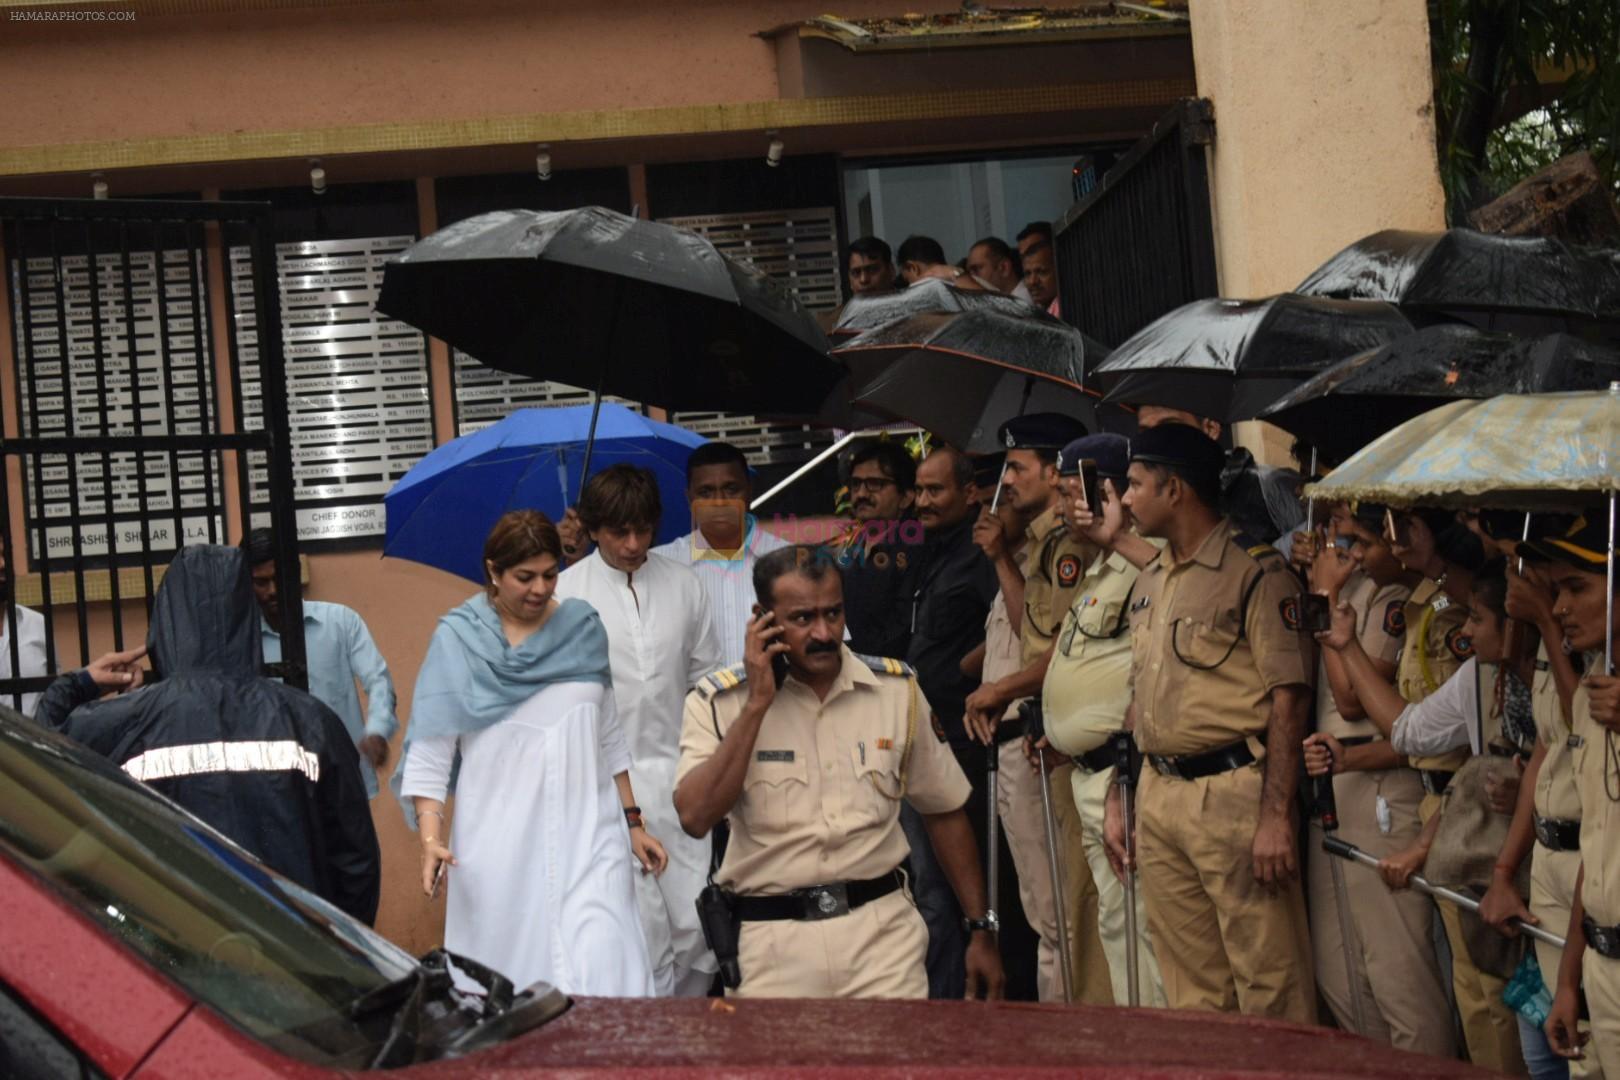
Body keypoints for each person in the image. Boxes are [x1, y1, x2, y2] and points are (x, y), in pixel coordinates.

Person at [672, 545, 1005, 1000]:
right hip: (773, 949)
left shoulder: (895, 692)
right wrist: (756, 706)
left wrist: (980, 927)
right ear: (763, 619)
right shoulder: (719, 703)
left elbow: (943, 811)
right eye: (803, 618)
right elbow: (694, 816)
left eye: (834, 613)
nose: (825, 633)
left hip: (883, 943)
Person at [34, 545, 380, 924]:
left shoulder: (130, 721)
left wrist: (79, 683)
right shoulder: (310, 721)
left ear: (166, 621)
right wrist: (342, 957)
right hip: (294, 955)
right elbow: (355, 859)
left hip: (176, 954)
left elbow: (41, 752)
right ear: (247, 614)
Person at [397, 510, 665, 995]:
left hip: (592, 843)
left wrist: (633, 823)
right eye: (525, 577)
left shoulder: (583, 628)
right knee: (511, 994)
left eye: (550, 574)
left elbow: (608, 734)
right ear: (494, 571)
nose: (540, 589)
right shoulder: (459, 642)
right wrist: (431, 839)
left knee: (609, 970)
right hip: (500, 856)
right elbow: (431, 753)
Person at [1103, 423, 1315, 1022]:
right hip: (1161, 792)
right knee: (1191, 990)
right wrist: (1122, 794)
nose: (1124, 500)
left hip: (1233, 795)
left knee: (1269, 980)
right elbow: (1140, 696)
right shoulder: (1151, 577)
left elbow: (1289, 697)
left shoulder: (1257, 573)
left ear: (1176, 490)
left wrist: (1275, 815)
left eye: (1136, 485)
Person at [554, 463, 724, 996]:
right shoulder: (564, 594)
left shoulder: (684, 583)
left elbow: (707, 683)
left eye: (642, 531)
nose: (632, 544)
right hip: (605, 791)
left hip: (680, 782)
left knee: (695, 928)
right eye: (617, 532)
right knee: (635, 932)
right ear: (591, 527)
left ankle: (689, 1048)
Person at [1297, 504, 1456, 1056]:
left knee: (1399, 977)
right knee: (1342, 975)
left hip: (1387, 790)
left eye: (1364, 536)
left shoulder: (1403, 597)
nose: (1354, 548)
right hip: (1335, 781)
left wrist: (1328, 598)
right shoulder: (1362, 581)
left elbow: (1350, 697)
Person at [963, 413, 1108, 1004]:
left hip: (1041, 740)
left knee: (1059, 920)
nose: (1007, 480)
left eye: (1018, 467)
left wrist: (1001, 559)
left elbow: (1049, 647)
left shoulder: (1068, 545)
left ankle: (1073, 1047)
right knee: (1044, 912)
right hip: (1012, 742)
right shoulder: (1039, 544)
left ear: (1054, 473)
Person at [1038, 433, 1168, 1007]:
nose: (1067, 507)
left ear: (1111, 492)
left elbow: (1178, 578)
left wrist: (1116, 533)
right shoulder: (1102, 567)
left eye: (1076, 492)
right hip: (1087, 776)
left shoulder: (1148, 558)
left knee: (1147, 932)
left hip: (1127, 775)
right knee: (1119, 932)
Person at [904, 444, 998, 996]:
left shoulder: (983, 552)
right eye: (918, 489)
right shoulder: (934, 551)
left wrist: (968, 665)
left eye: (935, 490)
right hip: (929, 734)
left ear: (970, 493)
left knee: (966, 887)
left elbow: (1015, 624)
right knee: (928, 887)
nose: (922, 501)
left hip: (969, 741)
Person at [1542, 516, 1620, 1073]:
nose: (1560, 606)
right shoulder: (1591, 686)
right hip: (1601, 964)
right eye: (1558, 590)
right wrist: (1569, 980)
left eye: (1578, 587)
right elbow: (1593, 858)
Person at [241, 529, 398, 799]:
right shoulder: (242, 642)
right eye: (261, 582)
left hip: (341, 779)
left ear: (295, 570)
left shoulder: (341, 622)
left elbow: (378, 680)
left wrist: (377, 731)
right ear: (245, 583)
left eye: (279, 578)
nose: (273, 591)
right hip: (277, 787)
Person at [651, 442, 789, 668]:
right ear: (689, 499)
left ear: (750, 491)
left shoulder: (791, 561)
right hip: (693, 703)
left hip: (779, 701)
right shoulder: (658, 565)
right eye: (705, 492)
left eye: (731, 489)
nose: (719, 502)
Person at [834, 440, 922, 661]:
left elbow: (903, 629)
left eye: (875, 484)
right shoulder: (853, 546)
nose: (861, 494)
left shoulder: (916, 549)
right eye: (855, 484)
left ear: (906, 497)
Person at [0, 544, 47, 718]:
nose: (3, 564)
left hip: (38, 742)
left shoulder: (37, 623)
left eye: (5, 555)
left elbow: (54, 694)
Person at [896, 235, 988, 290]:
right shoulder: (978, 282)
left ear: (913, 268)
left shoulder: (921, 292)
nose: (910, 286)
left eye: (908, 279)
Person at [966, 236, 1033, 304]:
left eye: (976, 269)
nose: (971, 277)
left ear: (1004, 268)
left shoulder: (1024, 299)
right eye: (969, 272)